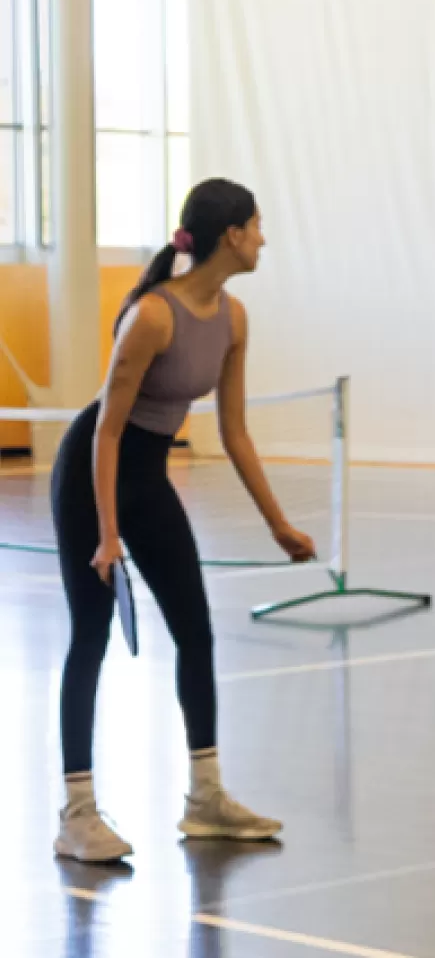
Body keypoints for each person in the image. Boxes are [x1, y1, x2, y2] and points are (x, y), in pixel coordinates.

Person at [52, 178, 316, 864]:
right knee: (90, 633)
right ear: (230, 235)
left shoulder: (233, 320)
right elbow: (107, 433)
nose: (263, 238)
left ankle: (206, 801)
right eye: (257, 225)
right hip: (93, 475)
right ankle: (77, 815)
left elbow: (234, 432)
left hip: (149, 477)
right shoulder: (153, 317)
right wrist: (107, 536)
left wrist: (277, 524)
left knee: (195, 631)